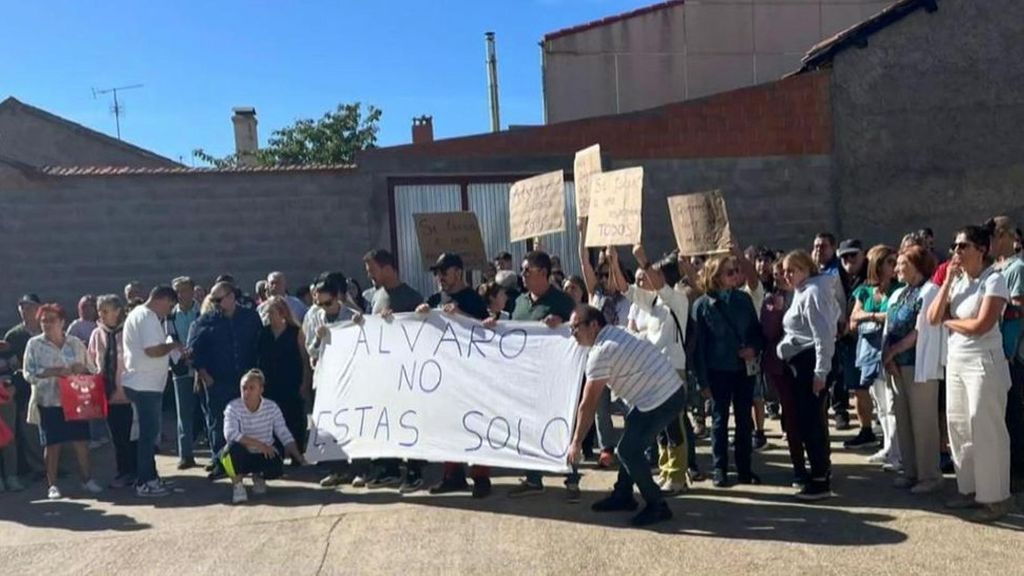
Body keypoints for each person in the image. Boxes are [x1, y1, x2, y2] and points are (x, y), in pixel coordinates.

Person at [567, 305, 687, 527]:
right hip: (661, 393)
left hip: (662, 398)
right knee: (631, 437)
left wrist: (576, 442)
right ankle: (623, 494)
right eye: (571, 328)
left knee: (628, 450)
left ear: (594, 325)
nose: (573, 333)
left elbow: (588, 404)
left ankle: (658, 505)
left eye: (576, 327)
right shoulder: (615, 331)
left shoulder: (601, 352)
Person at [927, 225, 1014, 522]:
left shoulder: (994, 280)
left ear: (981, 249)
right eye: (954, 246)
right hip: (957, 360)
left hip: (983, 362)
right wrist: (948, 281)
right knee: (959, 426)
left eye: (963, 246)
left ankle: (995, 498)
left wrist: (950, 322)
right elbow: (932, 317)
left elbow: (981, 325)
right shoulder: (958, 282)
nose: (956, 251)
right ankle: (969, 489)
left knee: (985, 427)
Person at [615, 244, 690, 494]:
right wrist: (614, 260)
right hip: (654, 371)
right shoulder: (653, 302)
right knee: (660, 428)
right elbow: (625, 289)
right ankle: (665, 470)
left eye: (655, 274)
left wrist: (643, 259)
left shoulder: (677, 300)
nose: (649, 278)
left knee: (674, 426)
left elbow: (658, 284)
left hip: (673, 370)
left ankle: (678, 475)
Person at [504, 250, 579, 499]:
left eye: (527, 270)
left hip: (556, 378)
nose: (522, 275)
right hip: (526, 377)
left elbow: (579, 331)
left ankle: (572, 478)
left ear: (543, 273)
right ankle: (533, 477)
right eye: (522, 271)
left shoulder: (563, 302)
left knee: (561, 425)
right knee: (528, 426)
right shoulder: (519, 302)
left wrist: (562, 324)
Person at [420, 253, 493, 497]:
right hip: (445, 375)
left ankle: (481, 477)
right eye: (437, 273)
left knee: (476, 424)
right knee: (448, 424)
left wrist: (462, 315)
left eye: (444, 272)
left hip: (472, 375)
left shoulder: (473, 299)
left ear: (458, 272)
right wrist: (421, 312)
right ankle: (452, 475)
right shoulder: (436, 299)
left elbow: (487, 329)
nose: (439, 277)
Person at [691, 254, 764, 487]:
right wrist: (702, 381)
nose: (735, 276)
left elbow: (756, 331)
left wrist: (753, 348)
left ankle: (744, 468)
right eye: (729, 272)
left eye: (736, 271)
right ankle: (719, 469)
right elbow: (698, 348)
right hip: (717, 371)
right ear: (716, 276)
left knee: (744, 420)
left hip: (743, 370)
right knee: (719, 421)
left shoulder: (743, 299)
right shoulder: (702, 306)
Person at [23, 303, 103, 499]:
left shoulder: (75, 343)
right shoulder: (34, 344)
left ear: (62, 322)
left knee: (81, 441)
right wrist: (51, 372)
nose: (47, 324)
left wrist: (81, 369)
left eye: (51, 320)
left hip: (75, 400)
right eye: (43, 321)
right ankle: (52, 485)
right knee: (52, 444)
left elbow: (92, 369)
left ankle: (87, 479)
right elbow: (28, 373)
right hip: (48, 401)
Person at [778, 250, 840, 500]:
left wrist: (820, 372)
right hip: (801, 362)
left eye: (792, 270)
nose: (787, 275)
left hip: (811, 363)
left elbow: (823, 335)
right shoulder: (802, 291)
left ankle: (819, 479)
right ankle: (821, 470)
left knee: (812, 422)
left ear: (806, 269)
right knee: (810, 420)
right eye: (784, 271)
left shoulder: (813, 292)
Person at [188, 281, 263, 479]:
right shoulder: (205, 321)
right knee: (218, 423)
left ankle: (250, 462)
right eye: (213, 300)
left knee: (249, 421)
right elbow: (193, 351)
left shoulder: (250, 317)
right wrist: (205, 376)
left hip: (246, 381)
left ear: (231, 297)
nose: (215, 303)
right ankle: (222, 463)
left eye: (218, 299)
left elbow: (260, 344)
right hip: (218, 381)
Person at [363, 249, 425, 489]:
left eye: (372, 270)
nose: (369, 275)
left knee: (409, 420)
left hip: (407, 373)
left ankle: (414, 470)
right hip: (384, 373)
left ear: (387, 268)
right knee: (388, 419)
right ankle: (389, 468)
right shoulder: (376, 296)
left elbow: (422, 331)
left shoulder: (411, 296)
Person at [884, 246, 943, 494]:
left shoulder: (929, 291)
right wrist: (888, 356)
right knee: (904, 420)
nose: (897, 268)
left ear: (918, 266)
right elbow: (889, 325)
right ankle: (910, 471)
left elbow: (921, 330)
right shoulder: (900, 293)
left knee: (923, 421)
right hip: (897, 365)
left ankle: (929, 475)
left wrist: (893, 351)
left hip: (918, 365)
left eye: (902, 264)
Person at [579, 220, 630, 469]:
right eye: (599, 274)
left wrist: (613, 258)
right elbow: (584, 262)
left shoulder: (626, 296)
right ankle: (607, 448)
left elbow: (618, 279)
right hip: (598, 357)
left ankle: (633, 444)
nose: (602, 278)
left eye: (606, 273)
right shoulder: (595, 295)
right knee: (600, 407)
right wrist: (582, 233)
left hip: (622, 358)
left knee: (627, 404)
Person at [123, 286, 182, 498]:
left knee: (148, 435)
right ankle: (145, 482)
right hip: (145, 385)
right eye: (170, 305)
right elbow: (152, 350)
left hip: (145, 383)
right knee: (148, 437)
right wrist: (172, 346)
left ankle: (151, 476)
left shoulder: (140, 314)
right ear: (162, 299)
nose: (169, 310)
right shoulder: (147, 317)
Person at [847, 246, 902, 473]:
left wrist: (868, 317)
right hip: (870, 353)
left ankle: (898, 453)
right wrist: (877, 316)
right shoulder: (864, 291)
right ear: (877, 265)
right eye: (889, 262)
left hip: (890, 353)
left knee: (892, 403)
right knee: (880, 403)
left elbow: (895, 317)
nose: (894, 267)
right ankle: (888, 446)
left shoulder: (899, 290)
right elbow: (853, 320)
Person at [304, 272, 358, 489]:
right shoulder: (314, 316)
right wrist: (318, 338)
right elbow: (311, 350)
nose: (324, 308)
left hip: (348, 378)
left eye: (328, 303)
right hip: (327, 379)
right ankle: (336, 469)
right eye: (320, 303)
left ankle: (358, 469)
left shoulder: (352, 316)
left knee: (353, 423)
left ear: (337, 298)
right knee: (331, 426)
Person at [222, 369, 307, 504]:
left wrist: (299, 457)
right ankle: (238, 485)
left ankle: (259, 477)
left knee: (276, 463)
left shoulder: (272, 407)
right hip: (244, 452)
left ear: (261, 390)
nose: (247, 392)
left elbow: (283, 433)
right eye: (244, 388)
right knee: (229, 451)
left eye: (251, 388)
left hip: (264, 453)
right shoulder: (232, 407)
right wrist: (259, 444)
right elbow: (230, 433)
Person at [987, 216, 1024, 494]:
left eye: (992, 236)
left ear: (1003, 236)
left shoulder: (1017, 268)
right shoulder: (995, 268)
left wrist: (1010, 349)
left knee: (1013, 415)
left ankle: (1017, 474)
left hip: (1010, 354)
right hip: (994, 351)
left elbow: (1019, 311)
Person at [86, 294, 137, 489]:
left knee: (133, 436)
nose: (101, 314)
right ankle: (123, 472)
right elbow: (92, 362)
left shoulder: (129, 331)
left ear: (117, 311)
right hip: (108, 395)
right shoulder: (97, 334)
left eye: (106, 310)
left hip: (129, 393)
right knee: (117, 437)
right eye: (100, 310)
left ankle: (138, 472)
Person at [256, 296, 311, 457]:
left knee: (293, 417)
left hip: (291, 382)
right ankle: (277, 452)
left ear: (282, 313)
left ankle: (296, 452)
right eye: (267, 313)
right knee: (272, 418)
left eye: (272, 313)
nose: (269, 316)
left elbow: (304, 359)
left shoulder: (295, 332)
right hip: (270, 382)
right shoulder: (263, 333)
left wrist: (305, 382)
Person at [2, 293, 45, 479]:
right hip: (25, 389)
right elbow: (10, 364)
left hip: (49, 386)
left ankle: (53, 463)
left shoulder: (47, 328)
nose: (25, 311)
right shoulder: (14, 335)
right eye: (22, 307)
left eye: (30, 307)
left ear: (39, 308)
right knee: (29, 430)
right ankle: (38, 467)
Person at [167, 276, 201, 470]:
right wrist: (181, 354)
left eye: (185, 290)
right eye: (177, 291)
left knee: (207, 411)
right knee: (183, 413)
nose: (181, 294)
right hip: (180, 367)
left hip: (203, 367)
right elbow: (169, 339)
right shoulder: (170, 315)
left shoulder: (202, 311)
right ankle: (186, 455)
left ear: (192, 290)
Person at [0, 339, 23, 492]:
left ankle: (11, 476)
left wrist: (14, 387)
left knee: (9, 437)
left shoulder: (6, 348)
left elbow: (19, 371)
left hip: (6, 397)